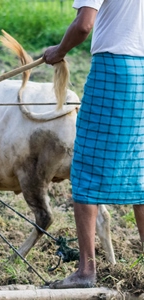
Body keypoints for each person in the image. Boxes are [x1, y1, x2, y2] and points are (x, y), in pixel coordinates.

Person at [43, 0, 144, 289]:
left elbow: (84, 24)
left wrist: (59, 50)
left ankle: (86, 271)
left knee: (86, 166)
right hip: (140, 72)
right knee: (139, 168)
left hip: (114, 71)